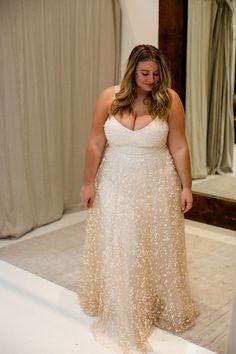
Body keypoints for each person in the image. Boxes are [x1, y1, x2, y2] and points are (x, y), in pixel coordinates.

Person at [77, 44, 200, 354]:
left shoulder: (169, 100)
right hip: (114, 179)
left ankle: (146, 299)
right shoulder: (109, 97)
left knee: (147, 244)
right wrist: (87, 182)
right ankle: (122, 302)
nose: (151, 79)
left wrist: (187, 186)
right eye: (145, 73)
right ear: (132, 70)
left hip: (155, 181)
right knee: (119, 240)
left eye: (157, 74)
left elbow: (180, 146)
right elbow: (94, 142)